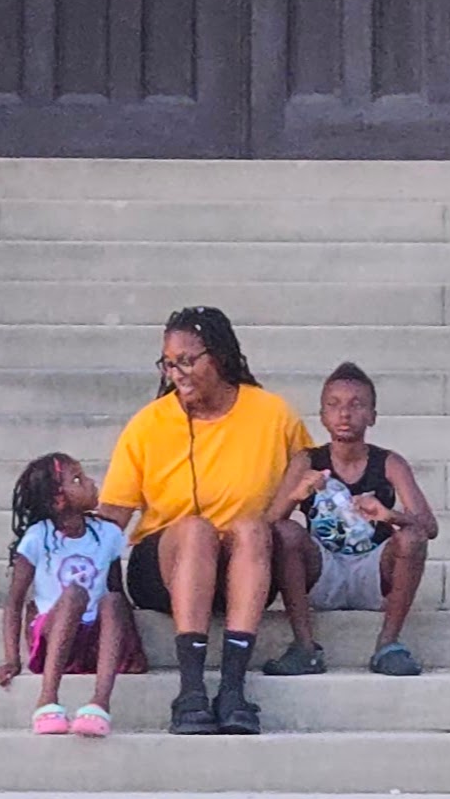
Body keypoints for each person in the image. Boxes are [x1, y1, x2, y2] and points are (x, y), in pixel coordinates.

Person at [99, 306, 312, 736]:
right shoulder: (148, 425)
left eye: (188, 360)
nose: (178, 372)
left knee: (252, 529)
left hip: (245, 566)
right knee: (196, 529)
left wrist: (287, 510)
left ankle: (233, 690)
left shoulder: (272, 414)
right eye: (169, 363)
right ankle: (191, 692)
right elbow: (110, 521)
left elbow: (306, 470)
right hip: (165, 566)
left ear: (220, 356)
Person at [263, 360, 436, 677]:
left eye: (356, 405)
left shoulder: (389, 463)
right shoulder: (307, 460)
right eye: (334, 405)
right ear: (322, 415)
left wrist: (390, 515)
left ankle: (388, 644)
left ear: (372, 415)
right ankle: (305, 646)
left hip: (373, 572)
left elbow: (429, 527)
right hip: (323, 571)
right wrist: (296, 495)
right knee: (286, 532)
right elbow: (270, 524)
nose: (344, 414)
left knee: (412, 538)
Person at [0, 452, 146, 735]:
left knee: (112, 599)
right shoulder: (39, 537)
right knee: (75, 594)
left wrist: (132, 648)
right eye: (78, 479)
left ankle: (99, 704)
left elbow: (117, 591)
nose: (90, 482)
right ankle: (48, 699)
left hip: (92, 643)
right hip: (51, 639)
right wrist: (13, 659)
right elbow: (15, 602)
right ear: (59, 500)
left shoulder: (107, 534)